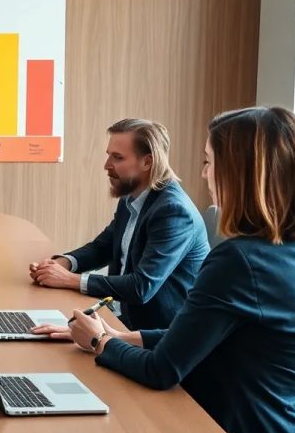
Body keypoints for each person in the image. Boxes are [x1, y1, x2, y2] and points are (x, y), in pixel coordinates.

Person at [35, 107, 295, 433]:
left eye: (209, 163)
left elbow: (161, 370)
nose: (204, 175)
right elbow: (211, 339)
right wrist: (119, 335)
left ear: (239, 173)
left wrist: (98, 342)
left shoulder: (240, 260)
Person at [29, 119, 209, 330]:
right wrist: (63, 264)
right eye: (109, 155)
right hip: (120, 315)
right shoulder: (132, 196)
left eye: (118, 157)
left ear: (147, 162)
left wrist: (70, 280)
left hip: (156, 333)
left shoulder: (173, 211)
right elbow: (103, 247)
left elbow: (141, 287)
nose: (107, 165)